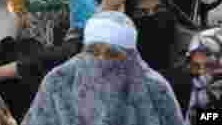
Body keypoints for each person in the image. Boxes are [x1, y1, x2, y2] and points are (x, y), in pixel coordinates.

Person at [21, 11, 185, 125]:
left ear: (131, 57)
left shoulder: (155, 89)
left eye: (112, 54)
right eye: (93, 51)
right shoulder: (59, 81)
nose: (101, 60)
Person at [0, 0, 90, 121]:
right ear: (61, 15)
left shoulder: (15, 49)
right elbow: (55, 61)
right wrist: (77, 32)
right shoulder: (21, 57)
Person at [124, 0, 196, 112]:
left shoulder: (192, 47)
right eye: (141, 13)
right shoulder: (121, 50)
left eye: (158, 10)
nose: (151, 17)